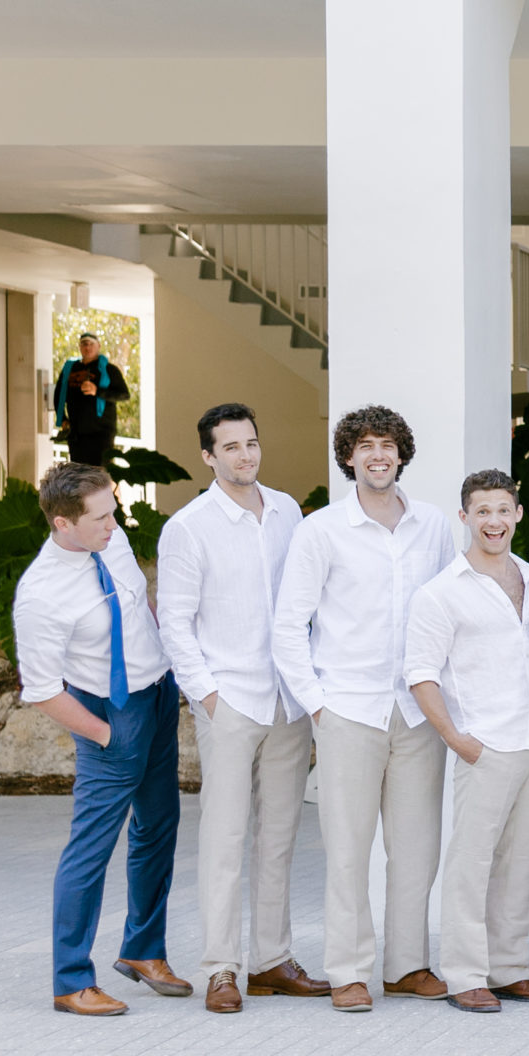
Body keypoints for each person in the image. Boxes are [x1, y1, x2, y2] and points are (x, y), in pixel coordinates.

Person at [270, 404, 454, 1012]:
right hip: (349, 707)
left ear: (402, 453)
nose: (378, 455)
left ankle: (407, 966)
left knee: (417, 844)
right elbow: (288, 625)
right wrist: (318, 706)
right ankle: (348, 970)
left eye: (388, 445)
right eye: (365, 445)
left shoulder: (432, 525)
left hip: (417, 711)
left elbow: (449, 613)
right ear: (348, 456)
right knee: (348, 848)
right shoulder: (320, 529)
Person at [154, 403, 328, 1013]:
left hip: (287, 699)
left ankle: (273, 959)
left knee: (279, 836)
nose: (245, 455)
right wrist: (207, 694)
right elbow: (173, 622)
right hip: (229, 699)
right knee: (225, 837)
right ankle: (221, 969)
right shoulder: (189, 526)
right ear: (208, 456)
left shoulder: (287, 511)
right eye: (230, 447)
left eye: (251, 443)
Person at [16, 461, 181, 1015]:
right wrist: (106, 735)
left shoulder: (111, 542)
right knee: (90, 849)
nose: (115, 524)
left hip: (157, 696)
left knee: (158, 827)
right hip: (110, 715)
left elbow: (138, 607)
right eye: (102, 517)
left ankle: (143, 951)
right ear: (63, 524)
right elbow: (41, 690)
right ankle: (70, 981)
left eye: (113, 510)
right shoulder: (41, 595)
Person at [405, 471, 529, 1013]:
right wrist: (456, 738)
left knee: (521, 862)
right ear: (465, 518)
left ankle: (510, 967)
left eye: (503, 510)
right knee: (472, 862)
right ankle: (466, 974)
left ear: (517, 514)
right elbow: (421, 674)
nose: (494, 521)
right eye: (482, 512)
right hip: (485, 744)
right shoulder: (441, 592)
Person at [53, 332, 129, 468]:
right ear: (80, 347)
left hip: (101, 434)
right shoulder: (70, 368)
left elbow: (124, 395)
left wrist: (97, 391)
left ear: (98, 346)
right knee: (79, 475)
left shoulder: (109, 369)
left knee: (101, 476)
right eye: (84, 344)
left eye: (91, 344)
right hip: (76, 433)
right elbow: (58, 395)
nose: (87, 347)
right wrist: (63, 419)